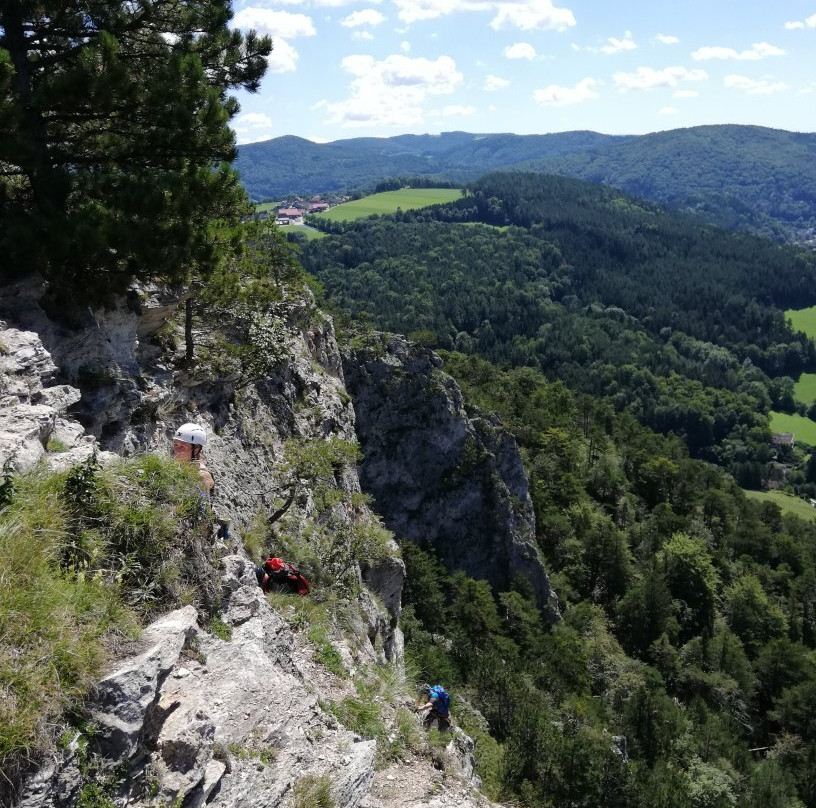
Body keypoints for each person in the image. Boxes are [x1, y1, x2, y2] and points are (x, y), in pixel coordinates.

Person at [172, 422, 214, 498]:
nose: (176, 450)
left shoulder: (202, 476)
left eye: (182, 447)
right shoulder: (176, 467)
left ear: (196, 450)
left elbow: (204, 507)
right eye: (175, 445)